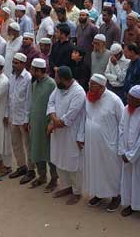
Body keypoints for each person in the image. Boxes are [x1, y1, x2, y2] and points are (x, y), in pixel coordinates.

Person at [82, 74, 124, 211]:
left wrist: (121, 145)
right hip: (92, 143)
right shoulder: (89, 97)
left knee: (111, 171)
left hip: (109, 144)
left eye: (93, 85)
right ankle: (99, 194)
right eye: (89, 83)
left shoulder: (114, 100)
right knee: (95, 168)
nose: (90, 87)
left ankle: (116, 196)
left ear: (101, 87)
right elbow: (85, 117)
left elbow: (122, 123)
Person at [47, 66, 87, 205]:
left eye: (57, 77)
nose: (55, 79)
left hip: (71, 133)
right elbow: (51, 102)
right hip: (59, 133)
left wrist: (54, 124)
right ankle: (67, 187)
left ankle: (77, 192)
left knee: (72, 163)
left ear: (64, 79)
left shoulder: (78, 92)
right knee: (59, 160)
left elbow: (70, 116)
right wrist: (54, 118)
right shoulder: (59, 87)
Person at [117, 85, 140, 220]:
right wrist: (122, 150)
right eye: (128, 97)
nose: (128, 100)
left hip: (139, 155)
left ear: (139, 99)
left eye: (131, 98)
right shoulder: (126, 109)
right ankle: (130, 205)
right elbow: (121, 129)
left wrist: (131, 156)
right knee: (127, 180)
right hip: (125, 152)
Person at [27, 58, 58, 190]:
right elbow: (33, 103)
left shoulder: (51, 84)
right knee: (36, 150)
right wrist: (29, 121)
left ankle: (54, 179)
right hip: (35, 123)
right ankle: (42, 176)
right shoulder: (34, 83)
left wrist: (51, 122)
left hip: (46, 124)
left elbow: (56, 104)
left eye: (33, 70)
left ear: (39, 70)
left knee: (49, 152)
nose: (31, 72)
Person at [7, 52, 35, 183]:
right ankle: (21, 166)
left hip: (23, 118)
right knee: (15, 143)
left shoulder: (28, 78)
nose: (13, 64)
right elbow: (10, 97)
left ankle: (31, 170)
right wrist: (7, 115)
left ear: (23, 64)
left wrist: (26, 120)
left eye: (16, 63)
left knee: (27, 145)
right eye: (13, 62)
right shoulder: (11, 76)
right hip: (13, 116)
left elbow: (29, 101)